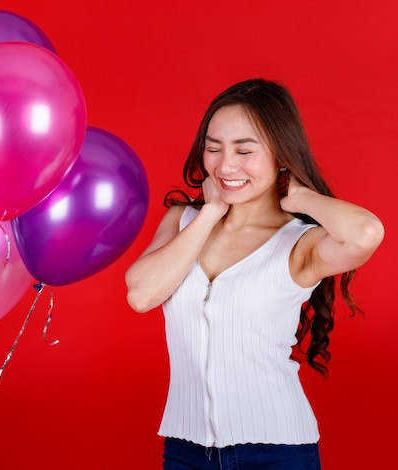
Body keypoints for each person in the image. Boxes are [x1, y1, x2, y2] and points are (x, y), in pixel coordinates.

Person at [125, 78, 384, 469]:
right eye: (214, 148)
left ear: (280, 154)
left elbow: (367, 233)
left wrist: (299, 195)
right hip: (186, 450)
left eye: (244, 151)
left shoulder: (299, 245)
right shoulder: (184, 221)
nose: (225, 165)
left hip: (276, 451)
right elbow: (141, 295)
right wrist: (210, 212)